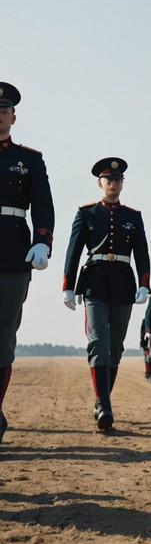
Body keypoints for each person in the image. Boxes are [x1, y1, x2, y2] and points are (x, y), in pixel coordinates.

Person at [63, 157, 150, 430]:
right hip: (95, 285)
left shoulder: (132, 217)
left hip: (123, 285)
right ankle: (104, 404)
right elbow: (74, 250)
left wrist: (144, 283)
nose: (113, 184)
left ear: (122, 184)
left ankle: (103, 399)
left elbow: (142, 253)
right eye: (108, 180)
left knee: (115, 350)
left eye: (117, 180)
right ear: (100, 183)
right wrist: (67, 285)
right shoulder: (87, 213)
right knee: (99, 344)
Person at [0, 82, 54, 444]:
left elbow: (43, 205)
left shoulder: (30, 159)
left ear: (14, 117)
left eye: (5, 109)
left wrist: (42, 243)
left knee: (3, 340)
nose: (0, 113)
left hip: (12, 254)